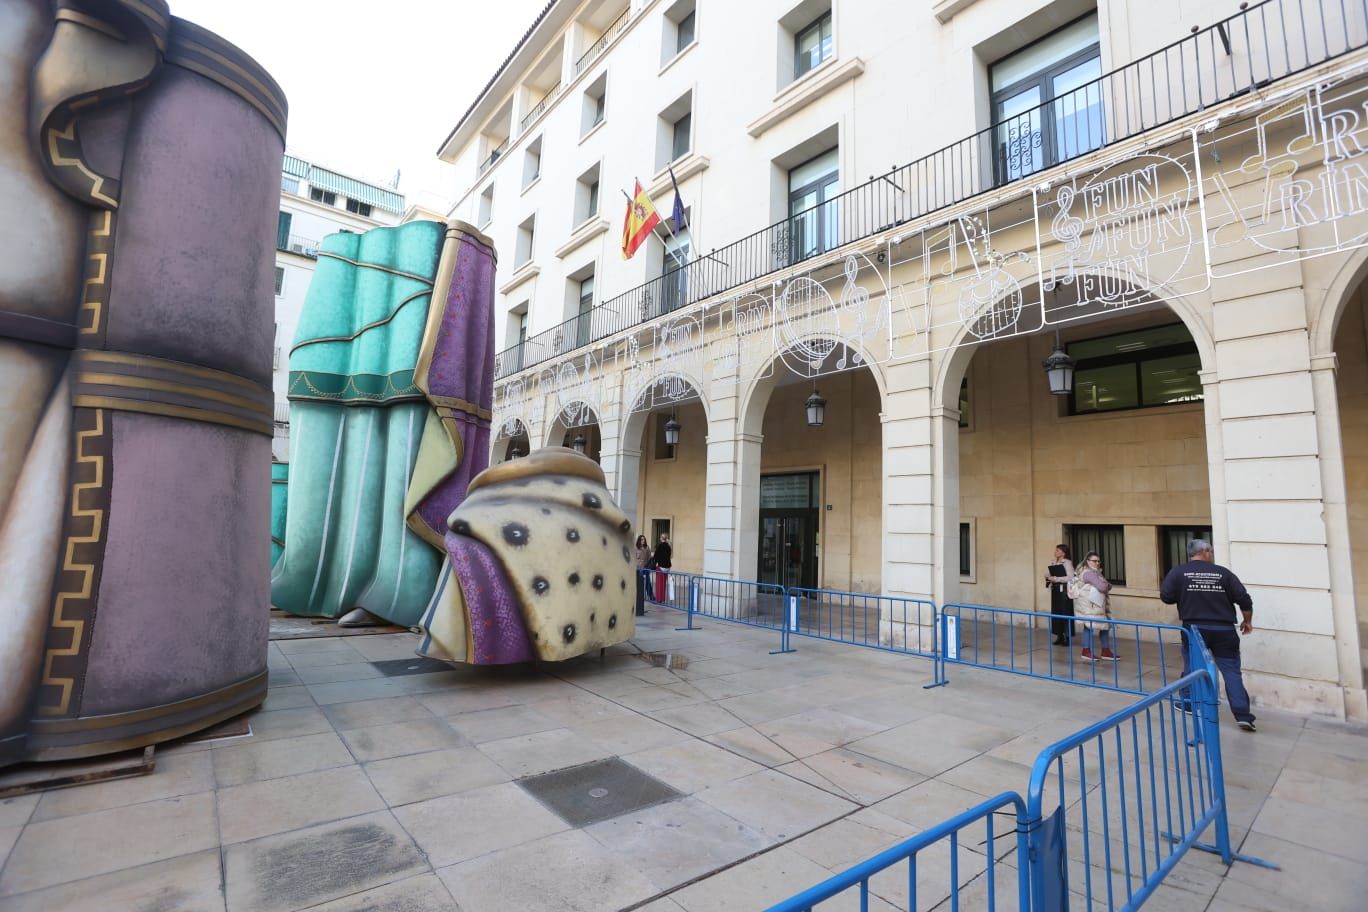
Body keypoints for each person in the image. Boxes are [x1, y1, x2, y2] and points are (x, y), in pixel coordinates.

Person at [1160, 539, 1257, 731]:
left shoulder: (1179, 572)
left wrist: (1186, 595)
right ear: (1205, 552)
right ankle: (1242, 715)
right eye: (1210, 551)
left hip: (1194, 629)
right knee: (1231, 671)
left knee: (1192, 667)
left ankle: (1188, 702)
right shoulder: (1223, 573)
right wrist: (1247, 621)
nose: (1211, 554)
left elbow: (1167, 596)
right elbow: (1244, 599)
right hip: (1224, 630)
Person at [1073, 551, 1118, 662]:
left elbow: (1105, 585)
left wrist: (1106, 585)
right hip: (1090, 606)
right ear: (1087, 561)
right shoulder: (1089, 573)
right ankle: (1087, 651)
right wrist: (1106, 585)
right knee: (1089, 626)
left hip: (1094, 606)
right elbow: (1103, 587)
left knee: (1104, 626)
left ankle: (1105, 651)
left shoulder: (1094, 572)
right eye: (1094, 561)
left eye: (1098, 561)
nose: (1097, 563)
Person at [1044, 543, 1076, 646]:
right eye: (1056, 550)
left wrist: (1057, 579)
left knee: (1065, 612)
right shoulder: (1053, 562)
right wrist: (1048, 577)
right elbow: (1047, 573)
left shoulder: (1067, 562)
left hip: (1064, 591)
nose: (1055, 552)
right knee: (1056, 612)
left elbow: (1070, 577)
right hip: (1055, 590)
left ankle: (1067, 636)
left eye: (1058, 550)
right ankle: (1059, 636)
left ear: (1063, 552)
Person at [652, 533, 673, 602]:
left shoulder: (660, 546)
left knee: (659, 584)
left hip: (660, 567)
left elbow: (655, 556)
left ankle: (659, 599)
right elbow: (669, 556)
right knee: (663, 584)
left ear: (661, 538)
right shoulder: (669, 546)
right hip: (667, 567)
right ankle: (662, 599)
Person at [634, 534, 652, 616]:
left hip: (644, 568)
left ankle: (650, 596)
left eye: (644, 539)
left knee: (647, 582)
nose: (642, 541)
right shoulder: (635, 547)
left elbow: (649, 557)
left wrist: (646, 565)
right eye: (641, 539)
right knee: (637, 584)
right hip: (636, 568)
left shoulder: (647, 548)